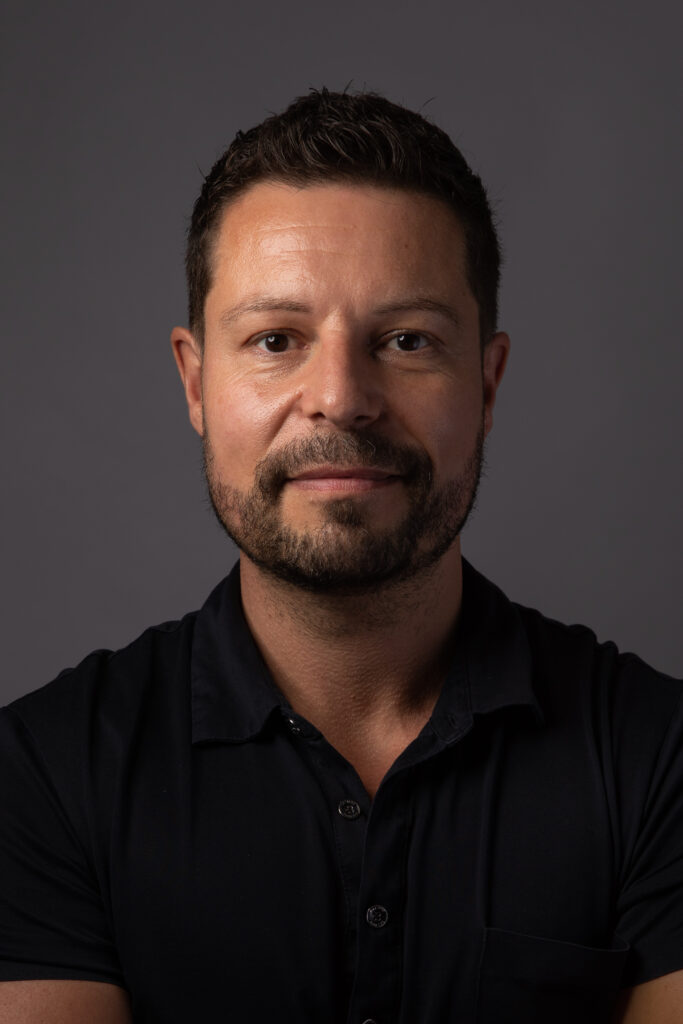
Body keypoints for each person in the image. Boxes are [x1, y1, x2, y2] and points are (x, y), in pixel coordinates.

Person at [0, 88, 681, 1024]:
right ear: (196, 383)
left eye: (406, 341)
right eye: (276, 340)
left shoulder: (659, 758)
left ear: (486, 383)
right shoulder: (39, 775)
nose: (341, 397)